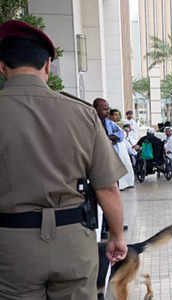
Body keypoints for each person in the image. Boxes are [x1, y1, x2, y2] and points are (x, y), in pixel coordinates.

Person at [0, 20, 127, 299]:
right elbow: (107, 188)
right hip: (73, 240)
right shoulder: (82, 114)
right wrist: (117, 236)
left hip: (10, 244)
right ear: (47, 65)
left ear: (2, 66)